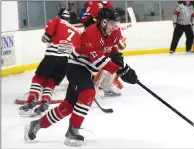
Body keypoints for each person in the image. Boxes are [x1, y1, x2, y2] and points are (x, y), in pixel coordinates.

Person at [24, 8, 138, 147]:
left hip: (87, 70)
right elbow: (100, 62)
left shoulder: (114, 31)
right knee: (89, 92)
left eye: (116, 23)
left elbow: (112, 47)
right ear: (103, 22)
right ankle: (73, 131)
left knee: (67, 107)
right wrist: (122, 71)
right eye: (112, 23)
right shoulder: (90, 34)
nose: (115, 27)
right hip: (76, 67)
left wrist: (117, 57)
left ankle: (36, 124)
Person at [19, 8, 81, 116]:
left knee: (38, 78)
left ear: (59, 16)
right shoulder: (77, 31)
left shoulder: (56, 21)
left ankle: (31, 100)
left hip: (53, 55)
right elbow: (79, 50)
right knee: (51, 81)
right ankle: (45, 101)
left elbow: (45, 39)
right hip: (66, 61)